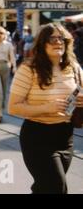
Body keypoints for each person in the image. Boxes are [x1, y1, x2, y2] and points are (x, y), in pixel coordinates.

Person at [8, 23, 83, 194]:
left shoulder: (75, 68)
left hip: (65, 137)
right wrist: (47, 108)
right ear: (42, 43)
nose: (58, 42)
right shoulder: (29, 69)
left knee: (45, 189)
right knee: (57, 187)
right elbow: (13, 107)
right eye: (52, 38)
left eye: (62, 38)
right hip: (37, 137)